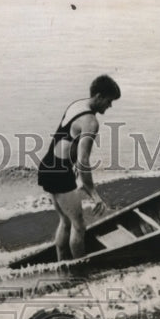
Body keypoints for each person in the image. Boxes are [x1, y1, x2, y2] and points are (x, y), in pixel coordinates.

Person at [37, 74, 121, 261]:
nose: (109, 106)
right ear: (99, 96)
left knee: (66, 222)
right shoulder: (90, 122)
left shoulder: (77, 105)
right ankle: (80, 270)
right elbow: (83, 160)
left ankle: (63, 263)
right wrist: (93, 192)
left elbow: (67, 144)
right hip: (60, 173)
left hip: (48, 166)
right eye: (109, 101)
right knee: (79, 226)